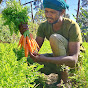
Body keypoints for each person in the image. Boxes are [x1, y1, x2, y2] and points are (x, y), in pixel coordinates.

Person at [20, 0, 82, 87]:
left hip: (72, 63)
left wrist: (45, 59)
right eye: (46, 11)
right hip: (58, 58)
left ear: (62, 12)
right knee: (29, 60)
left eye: (52, 12)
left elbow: (73, 60)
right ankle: (40, 81)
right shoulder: (43, 26)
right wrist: (25, 35)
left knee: (54, 38)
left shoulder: (72, 26)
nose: (48, 15)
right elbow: (34, 50)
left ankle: (65, 81)